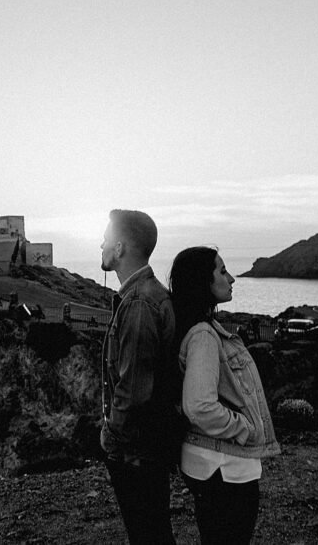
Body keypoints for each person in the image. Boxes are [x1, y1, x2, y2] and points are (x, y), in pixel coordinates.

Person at [169, 247, 281, 545]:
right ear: (201, 282)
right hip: (223, 466)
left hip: (216, 463)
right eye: (221, 271)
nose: (231, 278)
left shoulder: (201, 330)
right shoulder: (204, 336)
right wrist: (245, 428)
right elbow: (200, 406)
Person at [99, 210, 181, 544]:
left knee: (148, 534)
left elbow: (134, 390)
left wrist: (110, 437)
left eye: (105, 238)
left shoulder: (138, 304)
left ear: (119, 248)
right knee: (155, 531)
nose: (100, 243)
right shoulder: (148, 295)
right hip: (149, 444)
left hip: (136, 449)